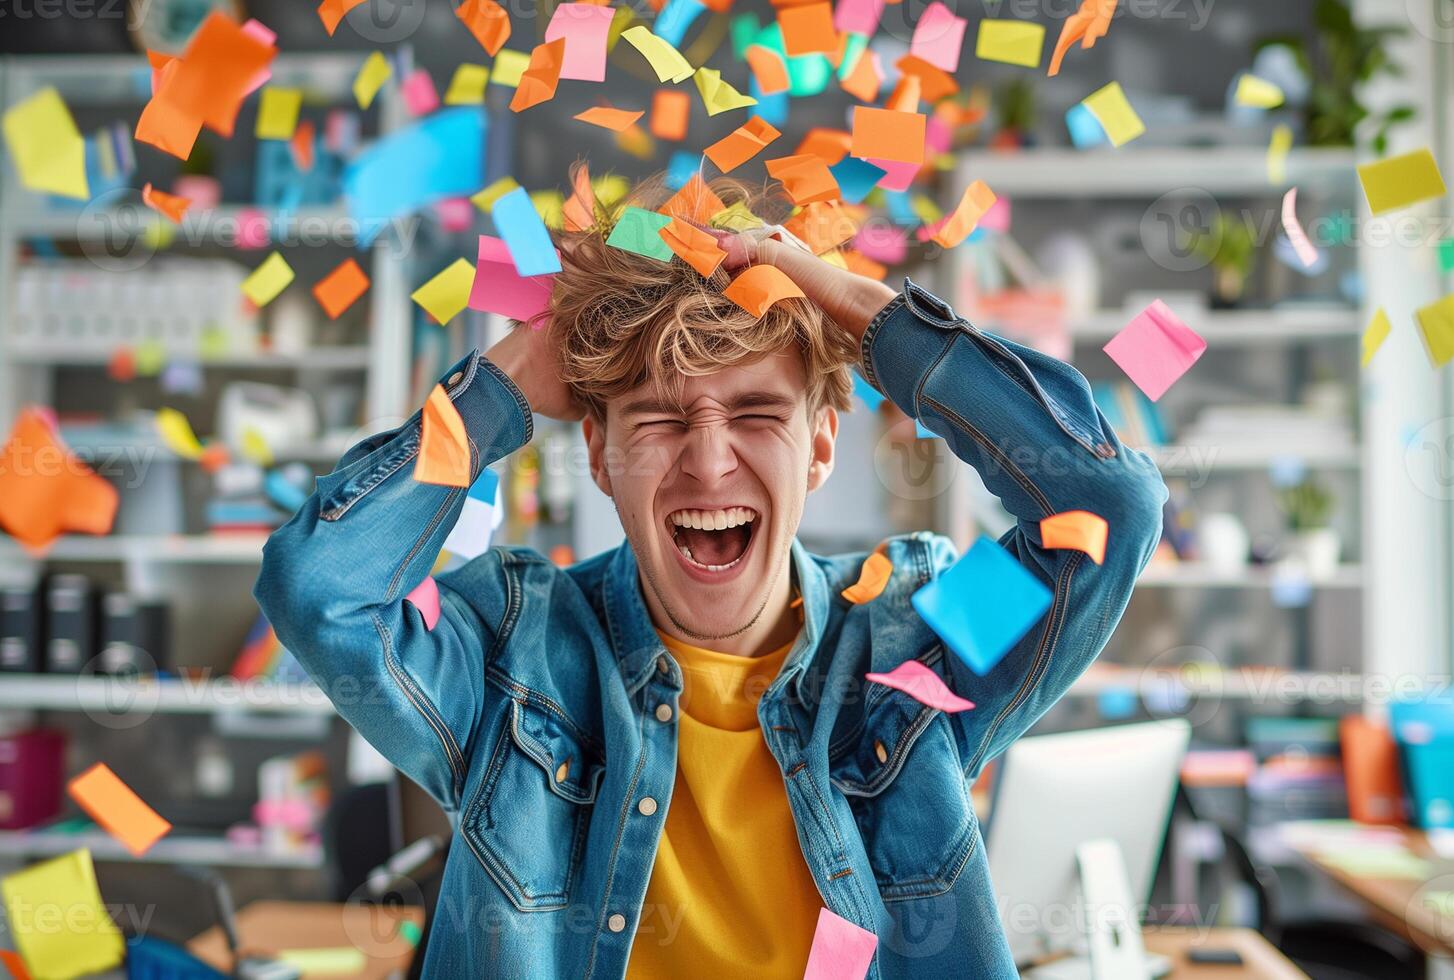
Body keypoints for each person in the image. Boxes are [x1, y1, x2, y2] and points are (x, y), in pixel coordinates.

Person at [254, 175, 1167, 979]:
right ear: (601, 455)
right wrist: (506, 381)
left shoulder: (917, 634)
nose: (709, 462)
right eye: (656, 421)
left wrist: (853, 305)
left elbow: (1105, 509)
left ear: (819, 447)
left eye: (759, 413)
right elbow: (320, 589)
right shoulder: (512, 657)